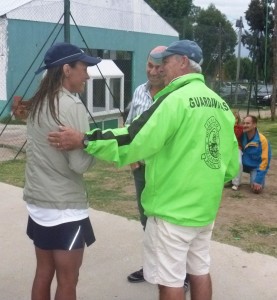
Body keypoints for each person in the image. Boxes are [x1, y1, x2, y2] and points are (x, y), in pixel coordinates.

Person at [48, 40, 239, 300]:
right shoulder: (221, 105)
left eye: (167, 62)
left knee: (169, 280)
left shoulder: (173, 100)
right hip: (204, 211)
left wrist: (85, 140)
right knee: (199, 271)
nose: (162, 69)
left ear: (182, 62)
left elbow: (133, 139)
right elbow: (229, 166)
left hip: (172, 211)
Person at [24, 42, 101, 300]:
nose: (88, 75)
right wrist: (95, 147)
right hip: (65, 208)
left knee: (43, 272)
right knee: (69, 280)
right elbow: (79, 164)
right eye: (84, 68)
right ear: (67, 69)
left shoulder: (37, 104)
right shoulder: (71, 106)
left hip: (38, 204)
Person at [241, 115, 271, 194]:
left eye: (247, 123)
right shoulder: (240, 136)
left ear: (254, 125)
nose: (244, 125)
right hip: (241, 165)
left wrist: (258, 180)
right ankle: (231, 179)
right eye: (243, 123)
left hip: (255, 167)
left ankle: (256, 178)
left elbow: (265, 161)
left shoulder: (262, 140)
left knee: (256, 190)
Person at [231, 111, 243, 191]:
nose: (234, 120)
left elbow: (237, 135)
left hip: (237, 147)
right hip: (227, 147)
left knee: (239, 163)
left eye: (236, 118)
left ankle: (236, 183)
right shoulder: (225, 126)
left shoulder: (239, 128)